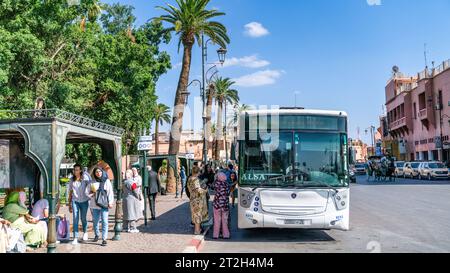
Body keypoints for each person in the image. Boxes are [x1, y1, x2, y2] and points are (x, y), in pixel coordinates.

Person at [87, 167, 114, 246]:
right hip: (94, 205)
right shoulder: (92, 182)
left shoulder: (106, 181)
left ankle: (104, 239)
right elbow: (87, 192)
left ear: (102, 172)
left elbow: (110, 192)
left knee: (105, 221)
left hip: (104, 204)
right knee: (95, 221)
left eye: (99, 171)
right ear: (94, 173)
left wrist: (111, 202)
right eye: (96, 172)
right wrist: (91, 194)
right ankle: (97, 234)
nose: (98, 173)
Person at [68, 164, 91, 244]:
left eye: (77, 170)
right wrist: (69, 203)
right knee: (75, 218)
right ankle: (75, 237)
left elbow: (91, 186)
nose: (75, 171)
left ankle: (85, 232)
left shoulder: (85, 178)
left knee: (83, 218)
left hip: (84, 201)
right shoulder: (71, 180)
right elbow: (70, 192)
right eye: (74, 170)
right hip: (75, 201)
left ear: (81, 170)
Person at [187, 166, 209, 235]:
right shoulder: (195, 179)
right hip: (197, 200)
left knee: (195, 214)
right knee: (198, 214)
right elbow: (198, 190)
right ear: (198, 172)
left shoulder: (189, 179)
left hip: (192, 199)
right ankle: (197, 230)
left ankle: (197, 229)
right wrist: (205, 191)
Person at [212, 172, 231, 239]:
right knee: (225, 221)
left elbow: (216, 192)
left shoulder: (216, 184)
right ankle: (226, 235)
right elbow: (228, 193)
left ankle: (215, 235)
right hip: (225, 205)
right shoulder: (226, 184)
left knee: (217, 221)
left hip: (217, 205)